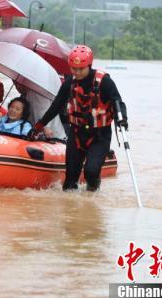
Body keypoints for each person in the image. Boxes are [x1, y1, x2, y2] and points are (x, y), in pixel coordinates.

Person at [32, 45, 128, 191]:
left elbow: (118, 102)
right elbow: (56, 106)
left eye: (80, 69)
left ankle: (92, 198)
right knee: (70, 179)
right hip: (77, 134)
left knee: (91, 172)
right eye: (73, 68)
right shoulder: (69, 83)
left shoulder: (104, 82)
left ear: (89, 66)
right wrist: (39, 125)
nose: (76, 72)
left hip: (100, 136)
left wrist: (123, 119)